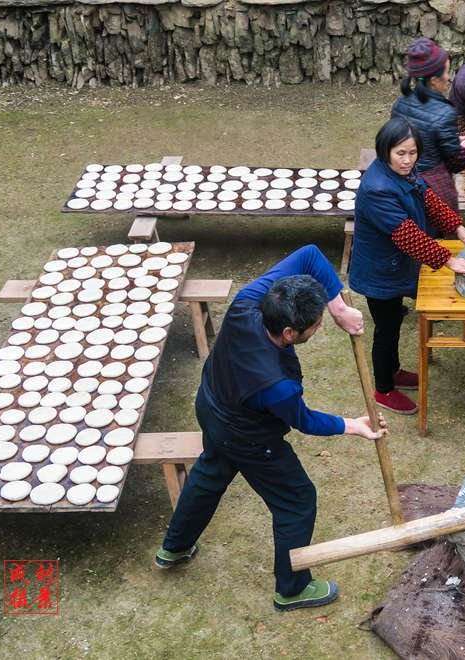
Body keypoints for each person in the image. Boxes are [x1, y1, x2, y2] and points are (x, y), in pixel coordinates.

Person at [154, 245, 388, 611]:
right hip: (246, 434)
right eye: (317, 324)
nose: (321, 325)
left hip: (211, 402)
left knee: (211, 471)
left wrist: (338, 307)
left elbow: (310, 254)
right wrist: (352, 426)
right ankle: (292, 589)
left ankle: (175, 547)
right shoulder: (276, 384)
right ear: (291, 333)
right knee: (297, 500)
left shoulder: (250, 301)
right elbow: (303, 419)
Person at [349, 117, 465, 415]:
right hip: (379, 270)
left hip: (395, 265)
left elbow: (429, 199)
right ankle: (383, 389)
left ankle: (394, 371)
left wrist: (457, 227)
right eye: (401, 153)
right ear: (385, 151)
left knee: (395, 320)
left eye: (412, 153)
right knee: (385, 327)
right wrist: (449, 260)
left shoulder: (406, 173)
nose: (408, 160)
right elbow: (405, 234)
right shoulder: (377, 189)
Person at [392, 37, 465, 210]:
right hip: (431, 187)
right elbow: (455, 163)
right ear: (433, 80)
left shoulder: (400, 104)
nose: (449, 78)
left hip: (401, 180)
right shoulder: (445, 113)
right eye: (447, 72)